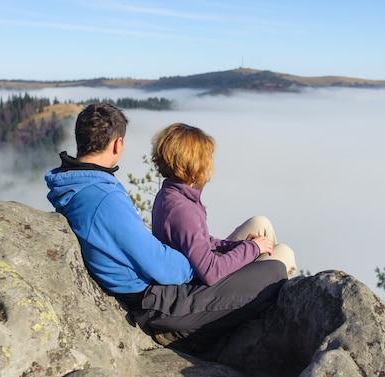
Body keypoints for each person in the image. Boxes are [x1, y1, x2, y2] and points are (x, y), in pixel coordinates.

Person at [44, 103, 287, 353]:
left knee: (262, 243)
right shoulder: (104, 199)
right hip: (157, 301)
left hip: (153, 293)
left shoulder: (79, 185)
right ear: (118, 144)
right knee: (276, 271)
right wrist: (198, 263)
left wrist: (219, 251)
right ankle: (187, 334)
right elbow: (162, 265)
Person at [150, 123, 297, 286]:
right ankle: (268, 296)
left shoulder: (173, 194)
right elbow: (211, 272)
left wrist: (241, 245)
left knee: (260, 224)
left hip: (204, 268)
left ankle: (267, 283)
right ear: (194, 163)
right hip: (206, 288)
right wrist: (253, 248)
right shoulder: (182, 210)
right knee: (284, 253)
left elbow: (201, 240)